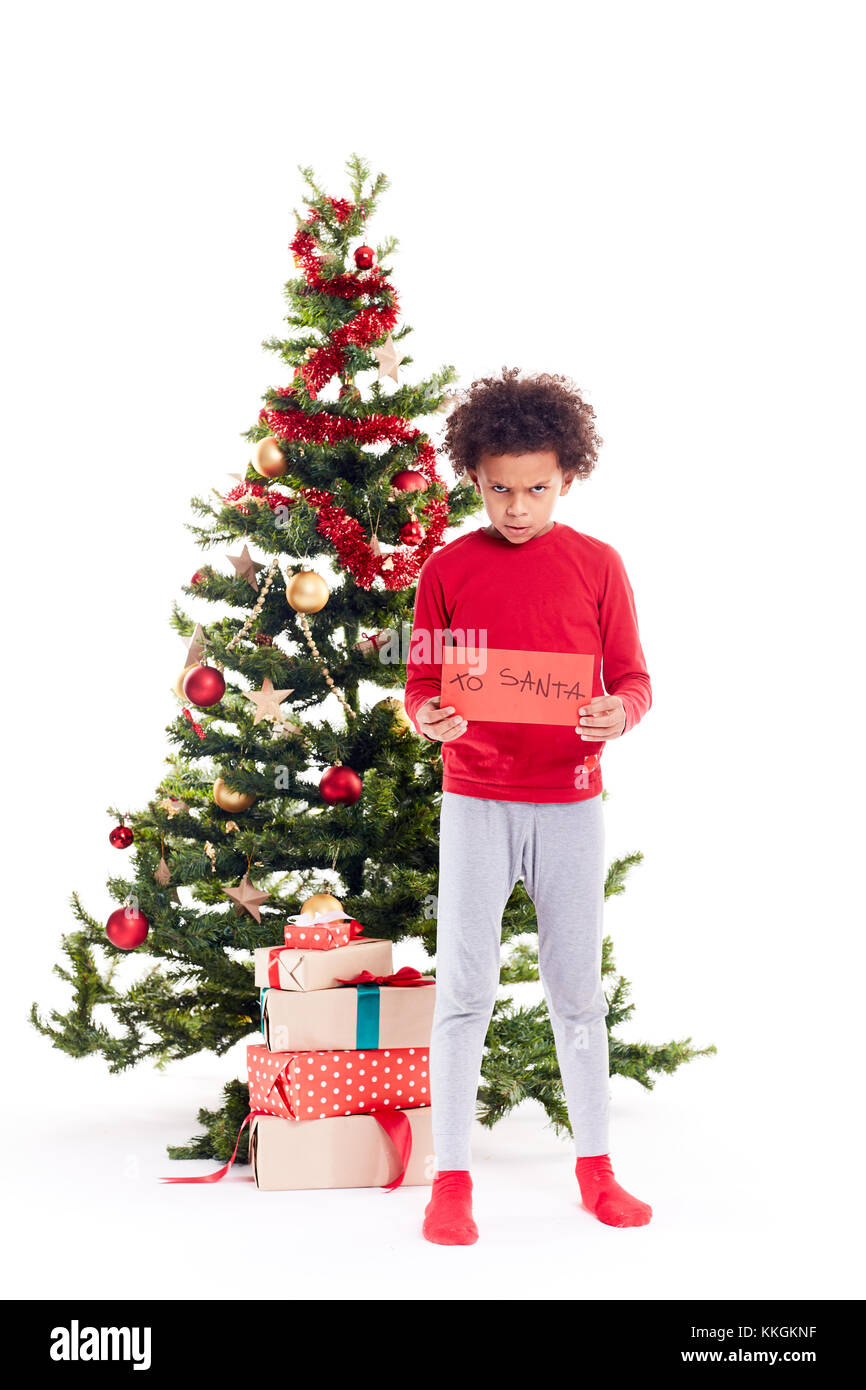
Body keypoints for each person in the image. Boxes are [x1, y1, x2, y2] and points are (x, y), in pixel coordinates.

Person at [403, 367, 653, 1245]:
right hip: (475, 798)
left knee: (576, 994)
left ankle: (596, 1168)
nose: (517, 507)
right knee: (463, 993)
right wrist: (427, 715)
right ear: (473, 477)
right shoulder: (447, 569)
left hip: (569, 802)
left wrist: (616, 712)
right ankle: (453, 1180)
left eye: (536, 489)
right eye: (500, 489)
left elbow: (633, 678)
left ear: (568, 478)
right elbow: (422, 679)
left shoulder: (598, 566)